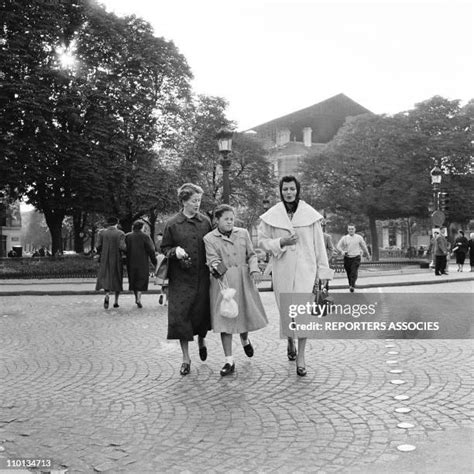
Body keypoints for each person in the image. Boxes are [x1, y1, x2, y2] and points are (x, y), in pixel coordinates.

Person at [258, 176, 333, 377]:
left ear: (297, 190)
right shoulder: (272, 215)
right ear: (280, 191)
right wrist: (280, 241)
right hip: (282, 270)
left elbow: (319, 246)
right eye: (285, 189)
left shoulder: (310, 216)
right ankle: (290, 339)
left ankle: (301, 357)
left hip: (305, 271)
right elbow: (262, 242)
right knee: (288, 314)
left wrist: (323, 275)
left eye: (291, 189)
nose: (288, 192)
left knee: (303, 315)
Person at [204, 204, 268, 377]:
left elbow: (252, 254)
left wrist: (254, 269)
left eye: (232, 219)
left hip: (243, 280)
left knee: (243, 315)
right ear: (217, 220)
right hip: (223, 283)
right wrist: (217, 269)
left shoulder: (243, 233)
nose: (230, 222)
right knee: (225, 320)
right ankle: (229, 360)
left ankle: (245, 339)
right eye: (226, 219)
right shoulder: (209, 238)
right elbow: (212, 260)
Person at [160, 183, 212, 376]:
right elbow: (164, 247)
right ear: (183, 201)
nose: (197, 204)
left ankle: (202, 340)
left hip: (202, 277)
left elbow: (212, 245)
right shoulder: (172, 224)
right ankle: (186, 358)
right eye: (193, 201)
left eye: (199, 200)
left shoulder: (205, 221)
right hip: (181, 279)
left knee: (201, 313)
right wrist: (175, 251)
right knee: (181, 318)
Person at [125, 220, 158, 308]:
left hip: (130, 261)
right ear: (141, 227)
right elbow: (151, 250)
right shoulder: (145, 236)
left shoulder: (127, 236)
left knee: (133, 280)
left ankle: (136, 297)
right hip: (142, 262)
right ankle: (139, 298)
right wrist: (154, 261)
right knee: (141, 280)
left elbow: (123, 249)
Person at [95, 216, 126, 309]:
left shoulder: (102, 233)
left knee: (106, 276)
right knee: (117, 277)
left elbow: (98, 246)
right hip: (116, 258)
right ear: (117, 223)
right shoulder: (120, 233)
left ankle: (107, 294)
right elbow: (122, 247)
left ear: (108, 223)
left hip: (105, 258)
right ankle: (116, 301)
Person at [336, 224, 371, 292]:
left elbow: (364, 247)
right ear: (347, 230)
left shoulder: (359, 237)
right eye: (349, 229)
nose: (351, 230)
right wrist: (342, 251)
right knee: (349, 273)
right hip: (347, 257)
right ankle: (351, 285)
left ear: (355, 230)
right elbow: (338, 246)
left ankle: (352, 285)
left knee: (353, 272)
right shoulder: (344, 238)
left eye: (352, 229)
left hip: (356, 257)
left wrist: (367, 255)